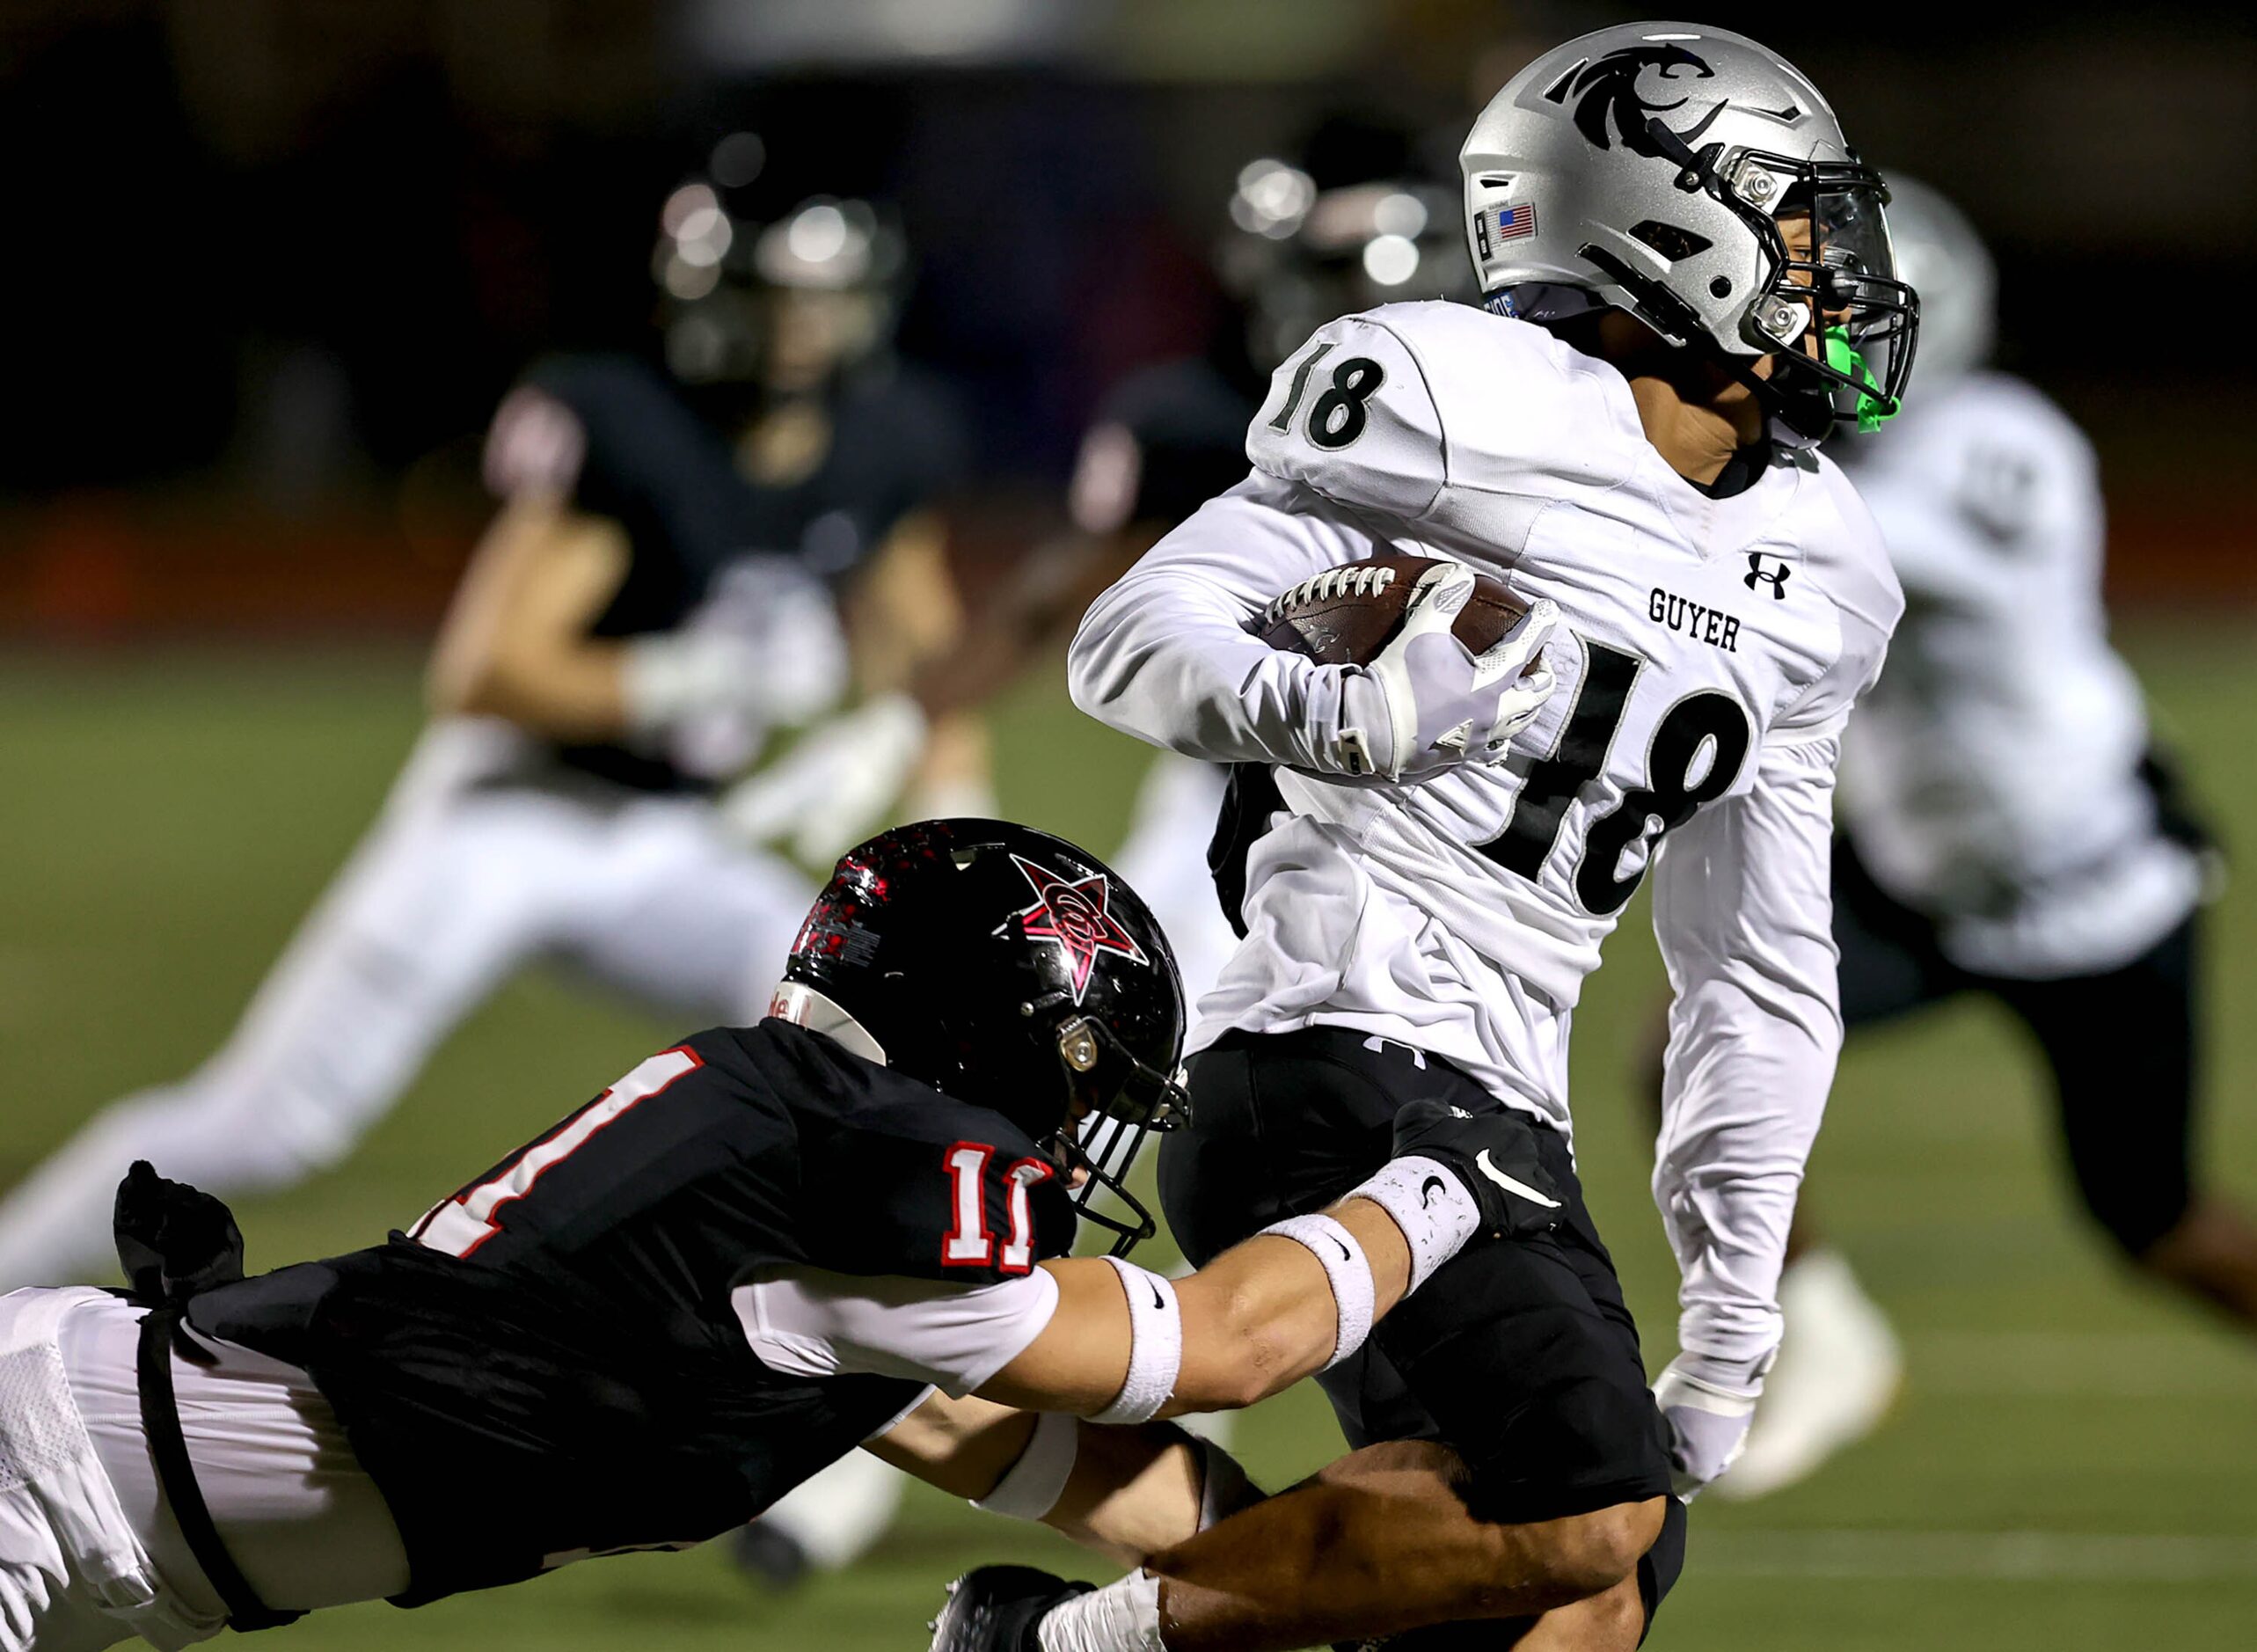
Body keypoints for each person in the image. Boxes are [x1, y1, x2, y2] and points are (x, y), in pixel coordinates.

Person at [942, 22, 1915, 1651]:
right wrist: (1343, 716)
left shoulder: (1824, 566)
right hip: (1325, 1051)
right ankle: (1050, 1644)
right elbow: (1133, 629)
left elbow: (1757, 971)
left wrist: (1736, 1314)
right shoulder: (1460, 391)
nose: (1837, 265)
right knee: (1581, 1505)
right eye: (1795, 219)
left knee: (1589, 1594)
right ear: (1666, 227)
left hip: (1502, 1101)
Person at [0, 171, 968, 1583]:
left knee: (872, 1065)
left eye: (820, 300)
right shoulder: (627, 424)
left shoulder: (885, 436)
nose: (799, 331)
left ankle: (859, 1451)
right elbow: (485, 669)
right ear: (709, 300)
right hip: (506, 815)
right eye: (773, 298)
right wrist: (684, 670)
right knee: (270, 1122)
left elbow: (920, 640)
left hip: (668, 842)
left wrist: (913, 749)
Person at [0, 818, 1553, 1652]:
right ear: (989, 1043)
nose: (1072, 1149)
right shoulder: (858, 1191)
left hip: (107, 1516)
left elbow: (1094, 1480)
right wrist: (1451, 1178)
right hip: (46, 1485)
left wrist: (1317, 1592)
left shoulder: (801, 1213)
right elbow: (1223, 1345)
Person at [1694, 178, 2257, 1500]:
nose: (1790, 334)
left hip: (2092, 890)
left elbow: (1834, 558)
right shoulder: (1808, 464)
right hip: (1915, 886)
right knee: (1691, 1039)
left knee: (2161, 1228)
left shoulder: (1997, 442)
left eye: (1821, 310)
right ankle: (1818, 1333)